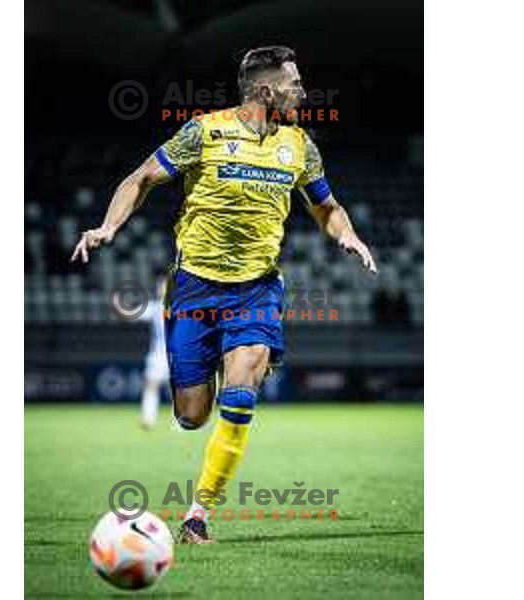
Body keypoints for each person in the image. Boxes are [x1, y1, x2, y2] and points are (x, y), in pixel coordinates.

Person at [71, 46, 377, 543]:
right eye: (294, 84)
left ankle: (197, 516)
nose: (302, 92)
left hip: (257, 289)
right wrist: (108, 228)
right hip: (194, 287)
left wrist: (346, 234)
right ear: (265, 90)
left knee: (241, 394)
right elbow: (141, 177)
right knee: (192, 415)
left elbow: (328, 206)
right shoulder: (204, 132)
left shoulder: (300, 146)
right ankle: (204, 375)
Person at [138, 276, 169, 429]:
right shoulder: (154, 307)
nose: (162, 289)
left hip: (180, 355)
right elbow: (134, 314)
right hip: (158, 355)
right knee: (151, 384)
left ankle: (184, 422)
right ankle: (148, 419)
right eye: (160, 287)